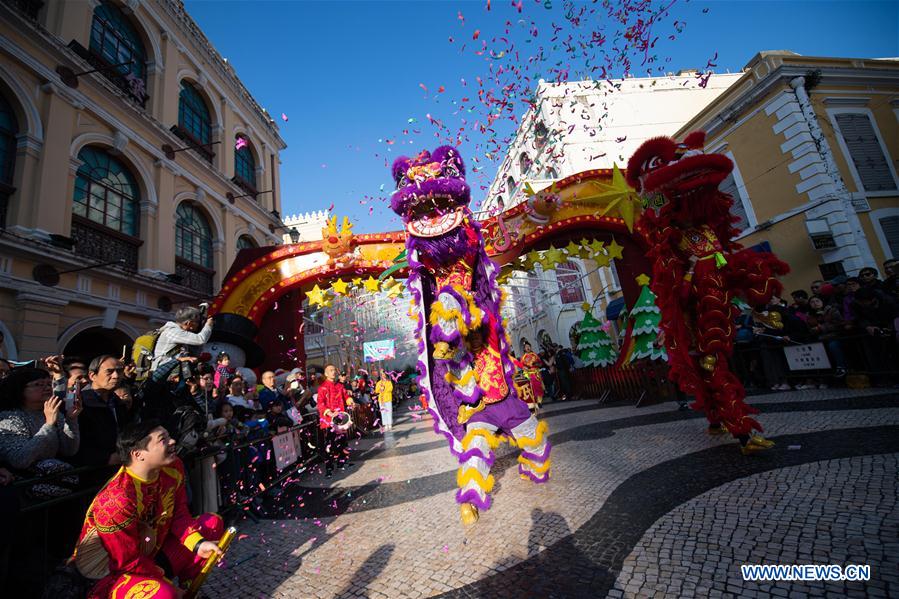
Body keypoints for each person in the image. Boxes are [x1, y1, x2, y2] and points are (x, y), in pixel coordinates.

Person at [70, 420, 223, 599]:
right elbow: (126, 561)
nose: (172, 441)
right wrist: (168, 586)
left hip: (152, 554)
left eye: (169, 436)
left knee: (212, 524)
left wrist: (198, 545)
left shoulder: (173, 466)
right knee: (163, 594)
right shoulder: (117, 499)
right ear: (138, 454)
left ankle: (189, 590)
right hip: (114, 575)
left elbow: (179, 514)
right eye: (162, 440)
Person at [0, 366, 80, 470]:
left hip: (55, 477)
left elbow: (69, 450)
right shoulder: (8, 418)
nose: (47, 388)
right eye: (38, 384)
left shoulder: (52, 412)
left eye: (49, 384)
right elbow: (20, 460)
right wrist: (49, 425)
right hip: (25, 481)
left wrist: (71, 419)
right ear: (20, 389)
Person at [73, 355, 130, 467]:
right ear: (92, 375)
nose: (116, 376)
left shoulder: (119, 403)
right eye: (110, 371)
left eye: (119, 371)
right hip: (90, 471)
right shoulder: (80, 403)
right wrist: (104, 458)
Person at [316, 364, 354, 477]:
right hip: (328, 421)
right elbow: (320, 403)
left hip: (341, 419)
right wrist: (329, 412)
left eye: (334, 370)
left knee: (342, 442)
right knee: (330, 445)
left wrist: (350, 400)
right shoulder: (322, 387)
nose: (333, 372)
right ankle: (329, 468)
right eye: (330, 370)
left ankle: (342, 463)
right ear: (326, 374)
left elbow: (345, 397)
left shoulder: (340, 386)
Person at [151, 307, 213, 372]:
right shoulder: (173, 331)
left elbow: (196, 352)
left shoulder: (178, 332)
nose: (198, 325)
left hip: (171, 371)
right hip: (162, 371)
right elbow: (201, 339)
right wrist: (208, 325)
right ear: (189, 323)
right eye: (197, 322)